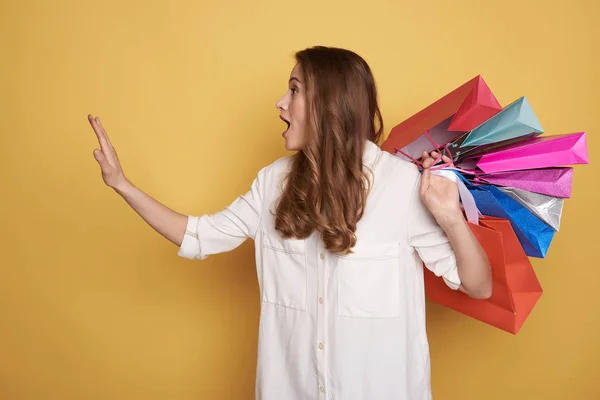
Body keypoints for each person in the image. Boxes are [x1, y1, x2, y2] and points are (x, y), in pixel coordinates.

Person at [88, 46, 491, 400]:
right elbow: (198, 236)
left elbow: (479, 285)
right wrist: (123, 186)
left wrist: (450, 216)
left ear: (329, 103)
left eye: (295, 90)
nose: (281, 103)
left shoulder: (403, 186)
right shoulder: (271, 184)